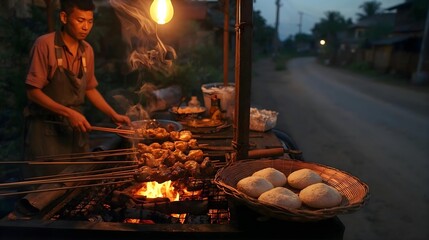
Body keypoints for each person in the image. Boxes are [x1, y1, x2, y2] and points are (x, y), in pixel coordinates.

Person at [23, 0, 131, 178]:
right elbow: (33, 92)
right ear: (64, 18)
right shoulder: (44, 45)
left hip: (76, 131)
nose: (86, 27)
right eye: (80, 20)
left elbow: (89, 89)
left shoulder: (87, 50)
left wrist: (113, 115)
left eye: (90, 21)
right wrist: (68, 113)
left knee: (76, 182)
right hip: (46, 131)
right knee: (48, 190)